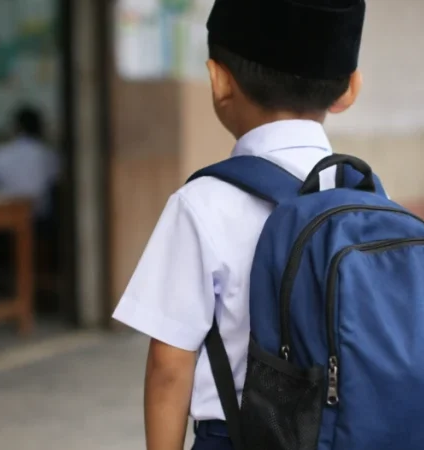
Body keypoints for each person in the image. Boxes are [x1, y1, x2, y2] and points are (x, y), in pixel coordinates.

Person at [112, 0, 366, 449]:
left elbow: (169, 369)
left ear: (219, 80)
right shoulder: (368, 199)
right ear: (350, 90)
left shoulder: (202, 203)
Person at [0, 106, 60, 221]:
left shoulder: (2, 153)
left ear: (16, 127)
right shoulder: (49, 155)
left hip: (7, 219)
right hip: (40, 220)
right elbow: (59, 180)